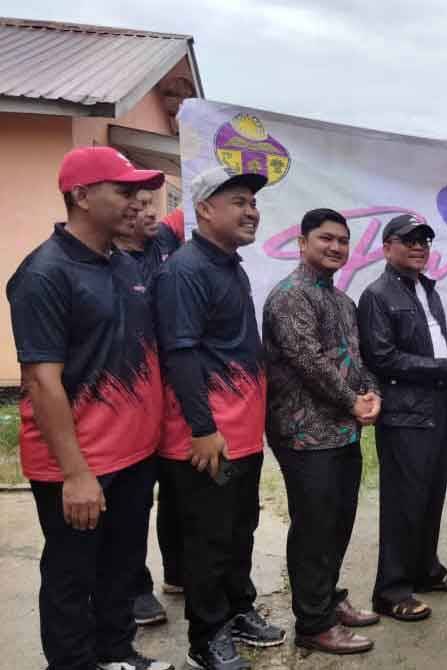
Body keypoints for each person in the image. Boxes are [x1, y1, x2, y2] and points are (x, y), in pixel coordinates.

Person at [7, 146, 172, 670]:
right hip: (79, 465)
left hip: (132, 455)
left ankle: (115, 653)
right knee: (72, 578)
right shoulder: (44, 274)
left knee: (121, 567)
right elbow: (41, 379)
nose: (135, 202)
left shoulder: (123, 264)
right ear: (81, 195)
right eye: (122, 191)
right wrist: (76, 475)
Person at [155, 166, 285, 670]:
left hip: (242, 434)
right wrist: (203, 429)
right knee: (208, 540)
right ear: (204, 208)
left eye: (253, 201)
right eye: (238, 201)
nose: (251, 210)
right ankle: (206, 637)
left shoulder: (230, 265)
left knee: (239, 530)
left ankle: (238, 609)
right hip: (206, 437)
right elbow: (181, 355)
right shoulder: (184, 271)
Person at [263, 209, 381, 654]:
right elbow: (308, 362)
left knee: (337, 523)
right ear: (302, 242)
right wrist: (353, 402)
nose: (335, 247)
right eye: (325, 238)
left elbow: (357, 357)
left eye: (342, 241)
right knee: (314, 528)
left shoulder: (341, 301)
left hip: (343, 432)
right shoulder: (290, 297)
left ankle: (327, 600)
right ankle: (313, 622)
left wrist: (372, 394)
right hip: (303, 435)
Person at [357, 214, 447, 622]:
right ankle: (391, 589)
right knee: (403, 503)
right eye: (409, 240)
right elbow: (381, 357)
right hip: (405, 416)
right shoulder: (378, 294)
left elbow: (438, 340)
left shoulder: (427, 289)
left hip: (437, 409)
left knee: (430, 497)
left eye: (424, 240)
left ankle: (426, 569)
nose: (419, 246)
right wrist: (441, 368)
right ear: (387, 247)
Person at [115, 191, 186, 627]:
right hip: (131, 397)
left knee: (180, 492)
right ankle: (134, 587)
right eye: (135, 204)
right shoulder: (103, 260)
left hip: (174, 393)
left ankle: (178, 572)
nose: (147, 212)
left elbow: (199, 202)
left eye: (150, 203)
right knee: (134, 501)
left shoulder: (164, 243)